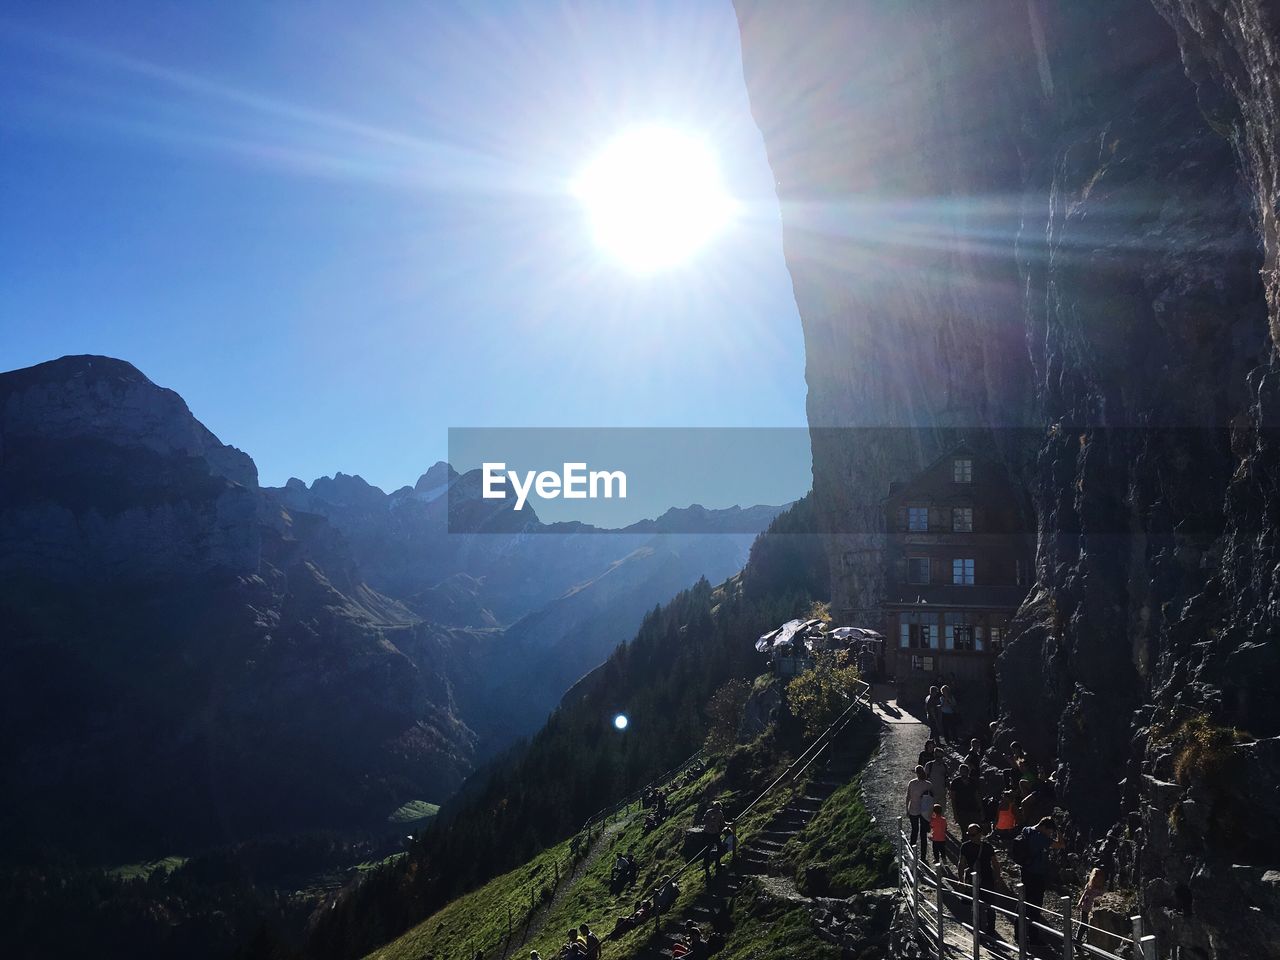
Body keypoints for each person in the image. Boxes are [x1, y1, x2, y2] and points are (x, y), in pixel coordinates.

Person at [1016, 816, 1065, 944]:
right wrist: (1059, 831)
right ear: (1043, 827)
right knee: (1035, 906)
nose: (1049, 834)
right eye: (1049, 832)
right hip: (1036, 875)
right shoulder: (1040, 838)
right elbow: (1061, 845)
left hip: (1025, 870)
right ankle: (1033, 936)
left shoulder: (1026, 830)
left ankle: (1018, 933)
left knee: (1022, 901)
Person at [958, 824, 999, 935]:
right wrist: (997, 878)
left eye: (973, 834)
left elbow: (961, 864)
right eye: (969, 835)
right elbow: (995, 864)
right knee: (988, 905)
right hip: (986, 879)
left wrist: (961, 880)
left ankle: (981, 930)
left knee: (977, 904)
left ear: (980, 834)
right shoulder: (987, 847)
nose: (971, 837)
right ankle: (988, 930)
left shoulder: (965, 847)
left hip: (975, 879)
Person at [906, 765, 933, 860]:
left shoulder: (912, 783)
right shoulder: (928, 784)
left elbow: (908, 797)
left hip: (913, 809)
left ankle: (912, 853)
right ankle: (923, 857)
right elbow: (931, 799)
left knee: (914, 831)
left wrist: (907, 809)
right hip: (925, 811)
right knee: (923, 834)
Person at [949, 763, 983, 834]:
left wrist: (981, 809)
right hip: (961, 810)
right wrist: (955, 813)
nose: (963, 773)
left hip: (973, 809)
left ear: (968, 772)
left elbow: (977, 796)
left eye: (965, 771)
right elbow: (953, 798)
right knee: (965, 831)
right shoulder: (955, 783)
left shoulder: (973, 782)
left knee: (974, 831)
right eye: (961, 771)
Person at [1076, 867, 1105, 943]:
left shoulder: (1102, 889)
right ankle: (1077, 941)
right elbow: (1084, 894)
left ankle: (1089, 944)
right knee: (1083, 925)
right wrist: (1080, 903)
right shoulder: (1089, 886)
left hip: (1093, 912)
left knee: (1091, 928)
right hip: (1086, 909)